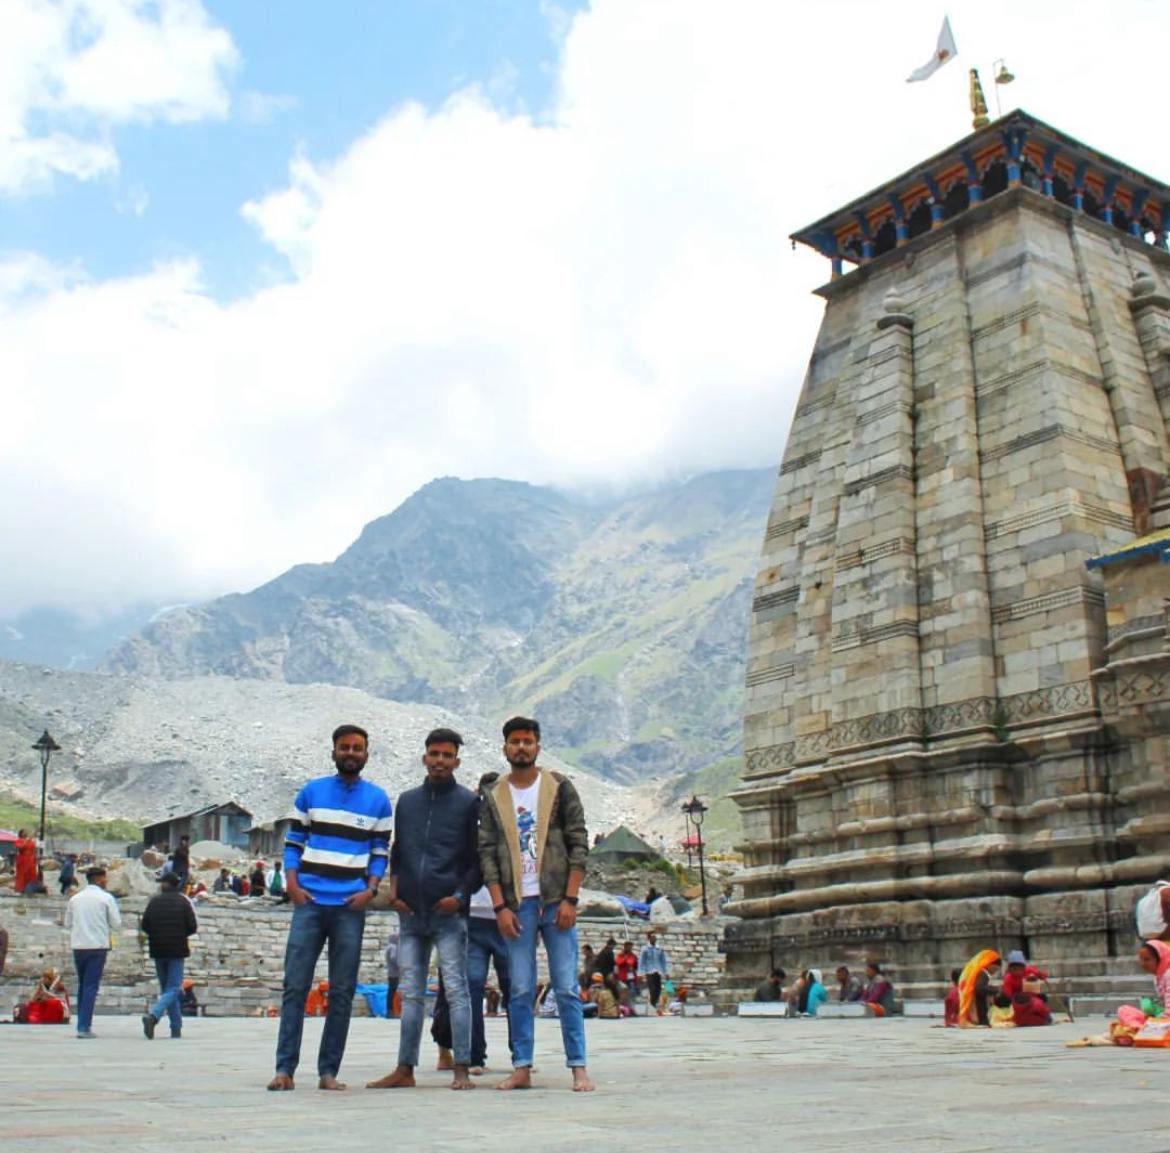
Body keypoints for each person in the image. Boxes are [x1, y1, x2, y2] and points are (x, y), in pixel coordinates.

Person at [267, 723, 392, 1092]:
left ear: (366, 754)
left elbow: (380, 851)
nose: (351, 753)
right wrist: (292, 883)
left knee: (341, 991)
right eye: (344, 747)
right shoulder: (311, 792)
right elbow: (294, 841)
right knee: (295, 986)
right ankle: (284, 1069)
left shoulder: (379, 800)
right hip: (310, 902)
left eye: (357, 748)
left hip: (350, 907)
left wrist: (370, 889)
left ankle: (328, 1072)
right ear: (333, 751)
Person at [478, 716, 595, 1092]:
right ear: (505, 748)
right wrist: (500, 907)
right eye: (515, 742)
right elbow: (487, 853)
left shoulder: (559, 786)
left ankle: (578, 1066)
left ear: (538, 746)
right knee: (521, 989)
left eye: (528, 741)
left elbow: (579, 842)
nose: (521, 748)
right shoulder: (494, 794)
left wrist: (571, 898)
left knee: (565, 987)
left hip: (556, 901)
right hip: (517, 904)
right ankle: (522, 1066)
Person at [367, 727, 479, 1092]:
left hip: (449, 913)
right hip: (411, 913)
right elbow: (398, 850)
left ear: (457, 761)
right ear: (424, 757)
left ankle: (461, 1066)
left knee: (457, 990)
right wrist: (395, 892)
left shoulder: (467, 802)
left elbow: (475, 860)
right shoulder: (408, 801)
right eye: (434, 754)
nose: (440, 761)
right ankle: (405, 1067)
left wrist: (460, 898)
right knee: (411, 991)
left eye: (447, 756)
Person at [139, 870, 198, 1039]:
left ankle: (176, 1027)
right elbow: (192, 926)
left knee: (167, 989)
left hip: (158, 949)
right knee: (173, 988)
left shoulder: (154, 902)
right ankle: (154, 1016)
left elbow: (145, 925)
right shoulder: (183, 902)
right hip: (176, 949)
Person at [65, 865, 121, 1038]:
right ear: (99, 879)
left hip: (79, 945)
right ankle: (84, 1026)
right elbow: (116, 923)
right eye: (105, 878)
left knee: (83, 985)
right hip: (97, 946)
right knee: (90, 986)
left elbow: (68, 922)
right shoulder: (106, 898)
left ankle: (82, 1022)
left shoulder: (75, 899)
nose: (107, 881)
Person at [956, 950, 1001, 1027]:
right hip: (979, 1006)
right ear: (988, 964)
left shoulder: (979, 972)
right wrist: (996, 990)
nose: (995, 971)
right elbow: (979, 988)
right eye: (995, 968)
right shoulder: (983, 974)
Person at [640, 931, 670, 1015]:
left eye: (655, 937)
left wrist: (666, 972)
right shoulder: (645, 949)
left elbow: (663, 961)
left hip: (658, 972)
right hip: (649, 972)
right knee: (652, 989)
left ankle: (653, 1004)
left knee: (658, 989)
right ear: (649, 938)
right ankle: (652, 1005)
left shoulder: (659, 949)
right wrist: (641, 973)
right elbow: (642, 962)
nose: (654, 938)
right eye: (652, 937)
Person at [14, 829, 38, 894]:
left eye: (26, 832)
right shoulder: (18, 841)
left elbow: (34, 849)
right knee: (22, 875)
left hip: (31, 860)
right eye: (24, 832)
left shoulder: (30, 841)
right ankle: (20, 889)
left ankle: (31, 889)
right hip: (23, 859)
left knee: (32, 875)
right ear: (21, 834)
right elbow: (20, 848)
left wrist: (35, 858)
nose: (26, 833)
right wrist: (26, 841)